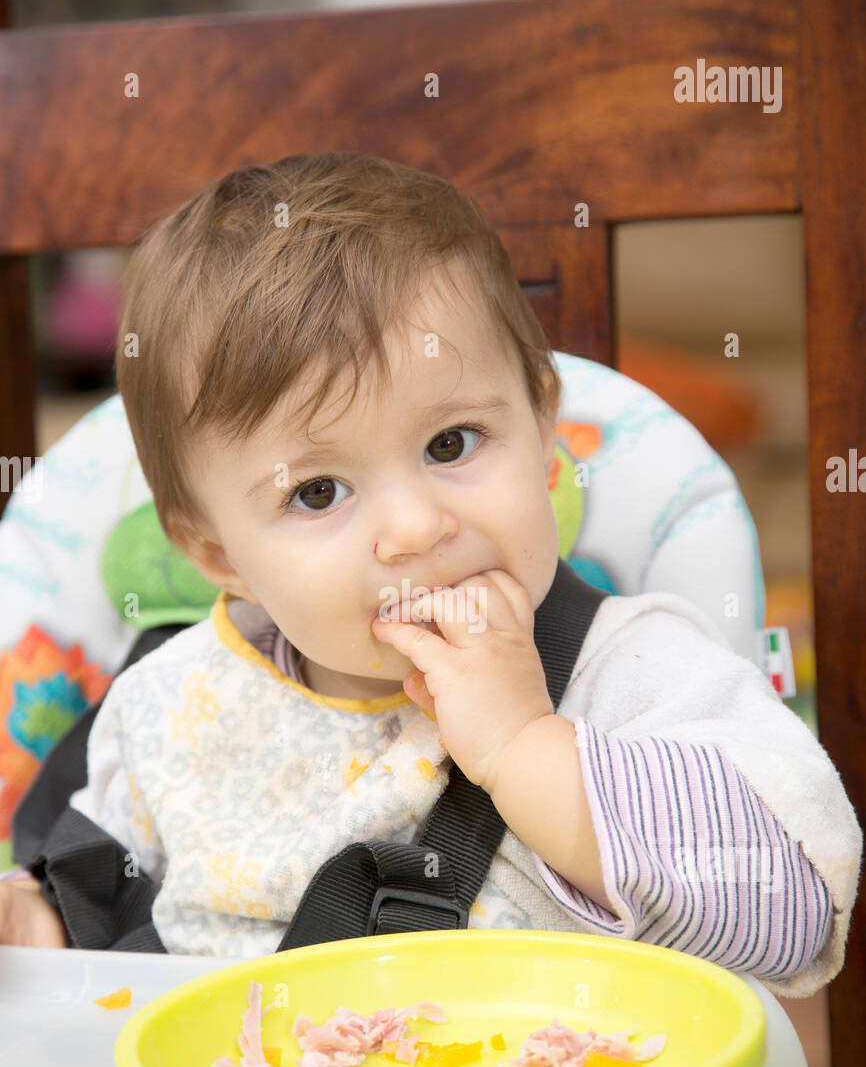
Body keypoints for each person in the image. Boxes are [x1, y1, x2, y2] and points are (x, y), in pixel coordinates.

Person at [0, 152, 860, 1001]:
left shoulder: (637, 675)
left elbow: (795, 919)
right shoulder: (169, 708)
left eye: (452, 443)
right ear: (221, 558)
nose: (416, 528)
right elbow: (105, 916)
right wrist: (42, 927)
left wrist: (528, 749)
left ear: (543, 427)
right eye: (317, 492)